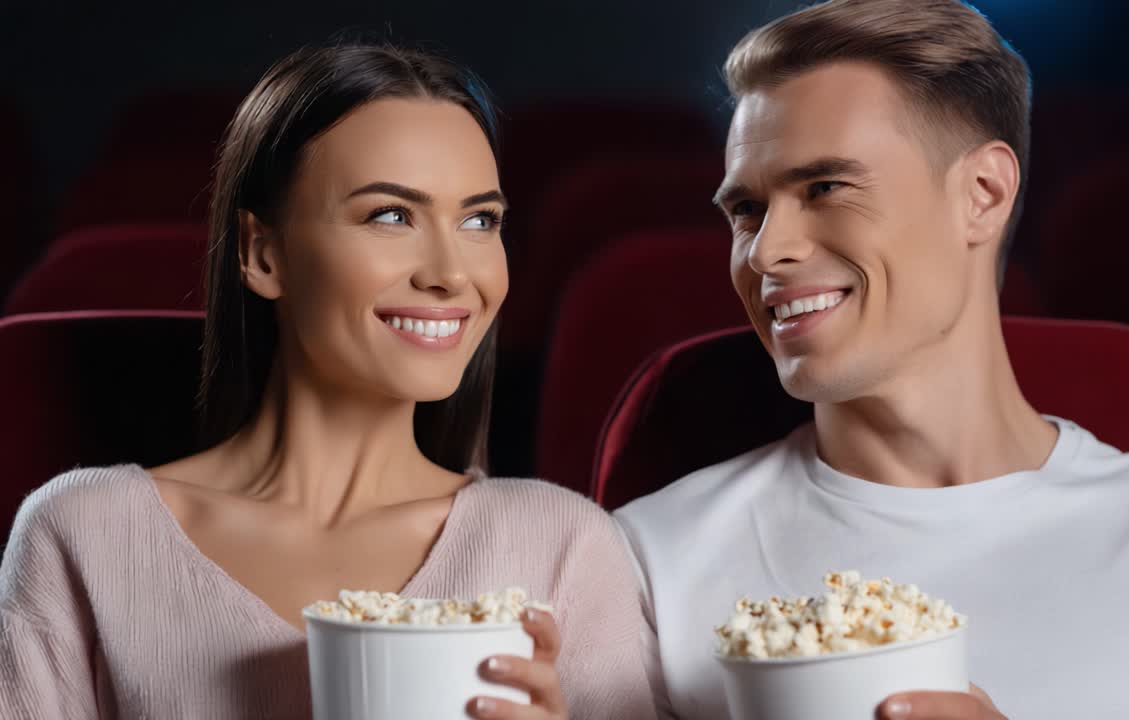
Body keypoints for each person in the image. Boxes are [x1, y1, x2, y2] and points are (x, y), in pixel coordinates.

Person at [614, 1, 1129, 719]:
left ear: (982, 195)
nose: (767, 251)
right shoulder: (649, 562)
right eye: (747, 209)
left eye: (825, 188)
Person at [0, 44, 656, 720]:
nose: (451, 273)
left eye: (478, 220)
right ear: (262, 253)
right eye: (391, 215)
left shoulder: (564, 545)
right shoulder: (83, 532)